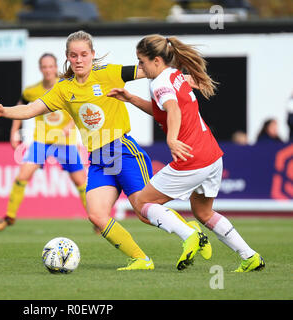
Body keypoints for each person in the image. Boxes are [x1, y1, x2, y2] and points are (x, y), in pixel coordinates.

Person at [0, 30, 210, 271]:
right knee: (97, 215)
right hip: (100, 158)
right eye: (73, 55)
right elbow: (31, 109)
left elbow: (152, 70)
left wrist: (181, 79)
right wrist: (5, 111)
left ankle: (191, 232)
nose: (79, 60)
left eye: (83, 54)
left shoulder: (109, 73)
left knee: (144, 212)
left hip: (123, 150)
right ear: (67, 58)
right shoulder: (63, 89)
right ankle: (141, 259)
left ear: (92, 55)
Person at [108, 34, 265, 272]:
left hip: (191, 158)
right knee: (203, 212)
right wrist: (132, 99)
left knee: (141, 204)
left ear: (157, 60)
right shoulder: (174, 75)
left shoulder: (160, 82)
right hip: (212, 156)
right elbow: (163, 109)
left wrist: (171, 139)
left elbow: (171, 108)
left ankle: (189, 234)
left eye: (142, 61)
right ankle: (250, 256)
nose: (140, 67)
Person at [0, 53, 88, 231]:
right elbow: (20, 108)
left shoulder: (67, 85)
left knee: (81, 182)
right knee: (23, 175)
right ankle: (9, 216)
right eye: (44, 67)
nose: (48, 70)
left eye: (51, 66)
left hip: (65, 143)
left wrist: (69, 125)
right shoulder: (32, 91)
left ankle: (95, 219)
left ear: (56, 67)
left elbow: (80, 108)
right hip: (42, 142)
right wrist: (14, 131)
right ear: (40, 69)